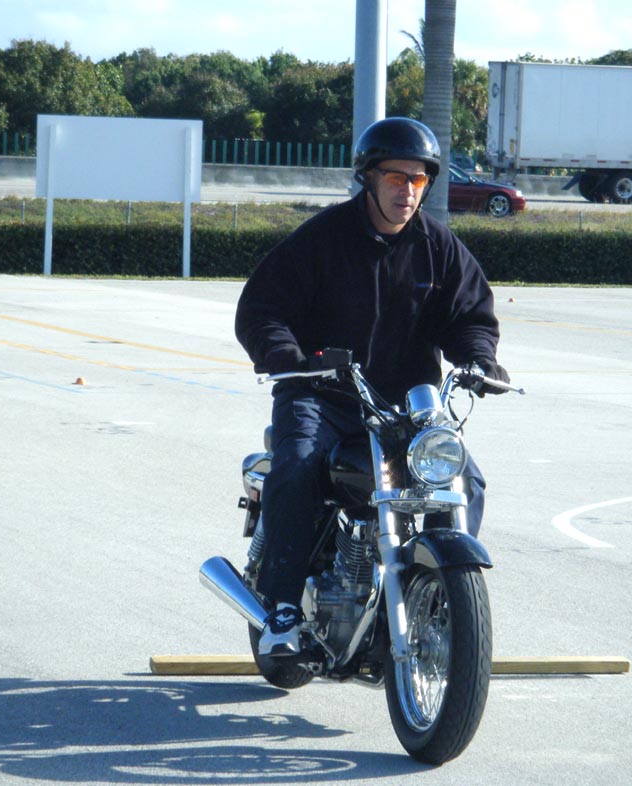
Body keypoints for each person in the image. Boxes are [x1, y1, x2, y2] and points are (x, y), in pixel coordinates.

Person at [234, 117, 509, 658]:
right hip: (322, 396)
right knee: (300, 463)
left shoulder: (438, 246)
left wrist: (480, 359)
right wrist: (292, 359)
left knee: (464, 479)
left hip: (407, 407)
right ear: (368, 177)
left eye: (418, 179)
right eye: (396, 177)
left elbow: (470, 316)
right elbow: (263, 310)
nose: (407, 190)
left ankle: (442, 597)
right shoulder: (322, 239)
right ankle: (283, 607)